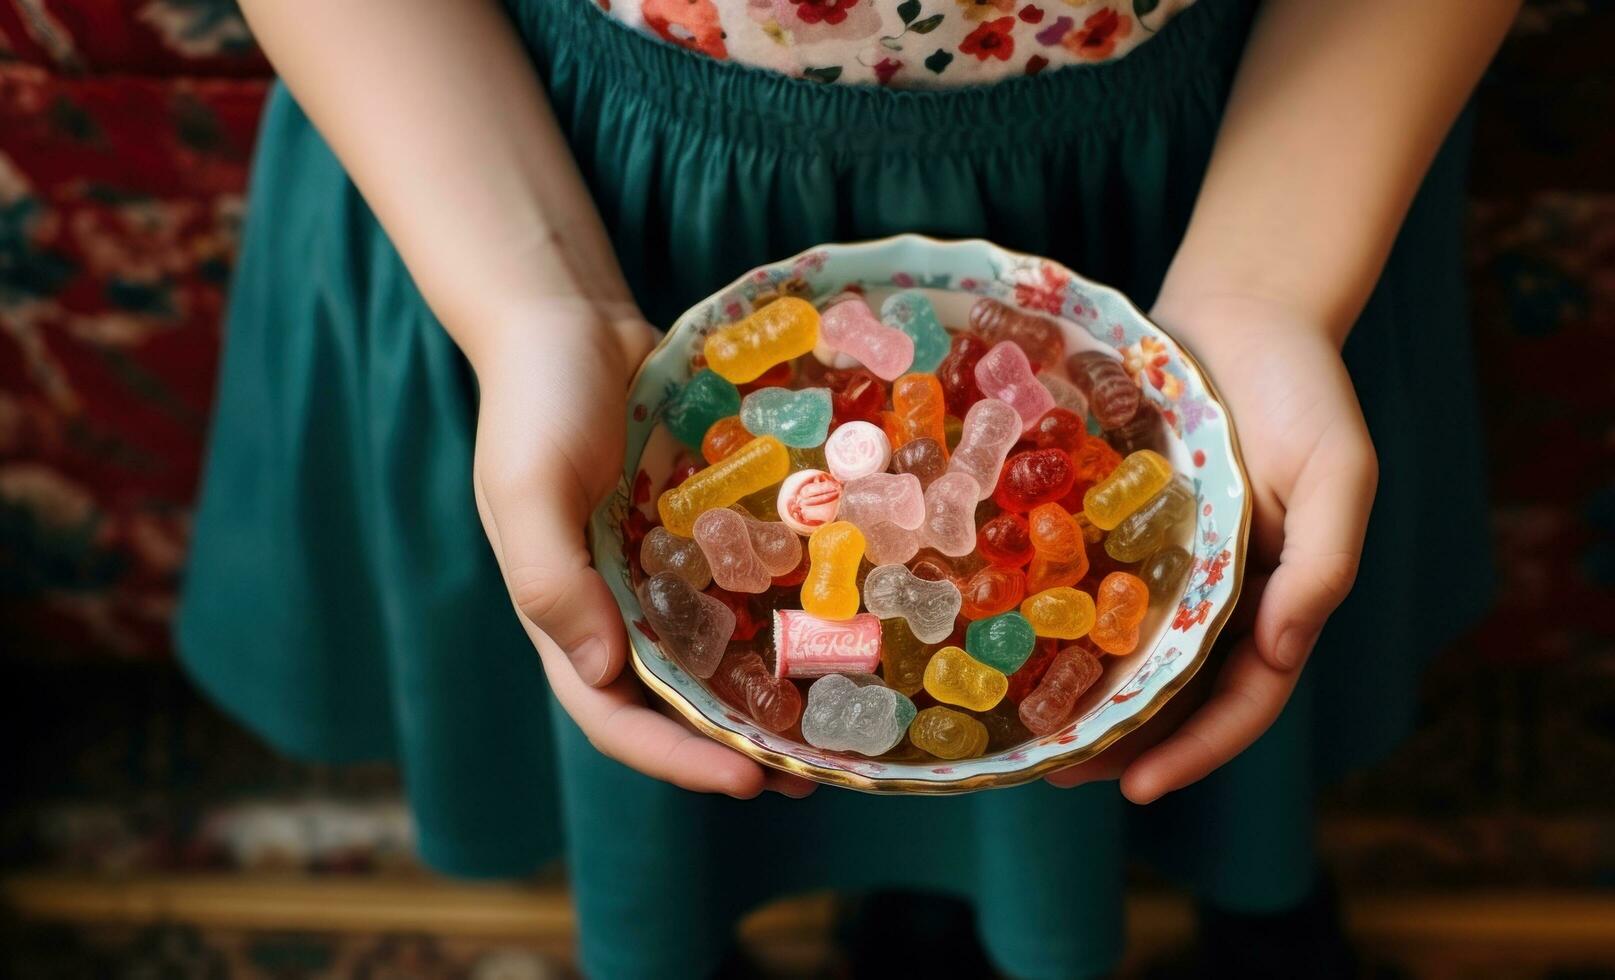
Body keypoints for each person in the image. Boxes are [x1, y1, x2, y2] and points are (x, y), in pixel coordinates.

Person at [177, 0, 1513, 975]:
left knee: (1165, 681)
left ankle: (1186, 903)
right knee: (668, 739)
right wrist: (538, 308)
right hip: (523, 168)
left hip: (1223, 170)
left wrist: (1271, 287)